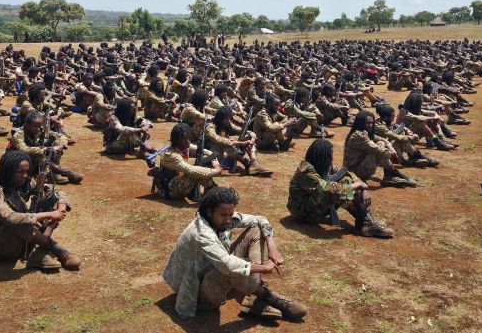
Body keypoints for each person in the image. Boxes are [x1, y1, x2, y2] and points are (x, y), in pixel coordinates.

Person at [162, 185, 307, 320]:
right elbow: (227, 264)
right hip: (198, 292)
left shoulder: (222, 218)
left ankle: (252, 294)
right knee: (225, 269)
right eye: (223, 215)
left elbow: (260, 220)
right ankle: (268, 296)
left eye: (230, 214)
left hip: (215, 270)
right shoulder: (201, 233)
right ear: (209, 212)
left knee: (256, 229)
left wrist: (272, 247)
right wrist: (264, 267)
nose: (228, 219)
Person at [0, 150, 80, 271]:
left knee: (49, 202)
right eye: (20, 172)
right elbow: (12, 218)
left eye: (27, 171)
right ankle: (53, 248)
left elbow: (56, 192)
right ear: (8, 171)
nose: (25, 175)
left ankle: (37, 252)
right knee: (18, 221)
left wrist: (60, 209)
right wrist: (51, 214)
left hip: (22, 242)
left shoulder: (24, 183)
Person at [287, 138, 394, 238]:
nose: (332, 158)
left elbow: (347, 174)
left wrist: (364, 188)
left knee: (346, 180)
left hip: (313, 207)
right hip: (301, 213)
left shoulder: (323, 165)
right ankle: (365, 221)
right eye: (330, 155)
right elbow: (326, 188)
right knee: (334, 189)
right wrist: (358, 185)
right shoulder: (305, 169)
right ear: (322, 156)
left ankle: (365, 220)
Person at [343, 111, 416, 187]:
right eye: (368, 123)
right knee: (378, 150)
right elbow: (378, 150)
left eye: (372, 123)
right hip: (353, 172)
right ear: (360, 123)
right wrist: (391, 154)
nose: (370, 125)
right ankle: (394, 174)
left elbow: (382, 139)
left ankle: (390, 175)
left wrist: (391, 149)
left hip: (359, 166)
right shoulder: (358, 135)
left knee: (381, 143)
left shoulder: (364, 132)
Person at [9, 111, 83, 185]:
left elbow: (61, 136)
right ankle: (63, 173)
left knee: (55, 149)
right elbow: (24, 150)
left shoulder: (40, 131)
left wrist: (60, 145)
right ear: (27, 125)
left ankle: (53, 174)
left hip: (34, 163)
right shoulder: (18, 135)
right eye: (35, 126)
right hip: (17, 165)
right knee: (43, 156)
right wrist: (47, 149)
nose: (38, 129)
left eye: (40, 125)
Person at [154, 123, 222, 200]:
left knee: (205, 159)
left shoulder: (183, 146)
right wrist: (215, 171)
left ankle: (211, 189)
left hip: (178, 181)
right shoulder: (172, 155)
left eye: (189, 138)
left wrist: (216, 165)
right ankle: (213, 189)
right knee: (195, 172)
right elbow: (191, 170)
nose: (189, 141)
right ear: (177, 140)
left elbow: (207, 152)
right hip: (171, 189)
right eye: (185, 139)